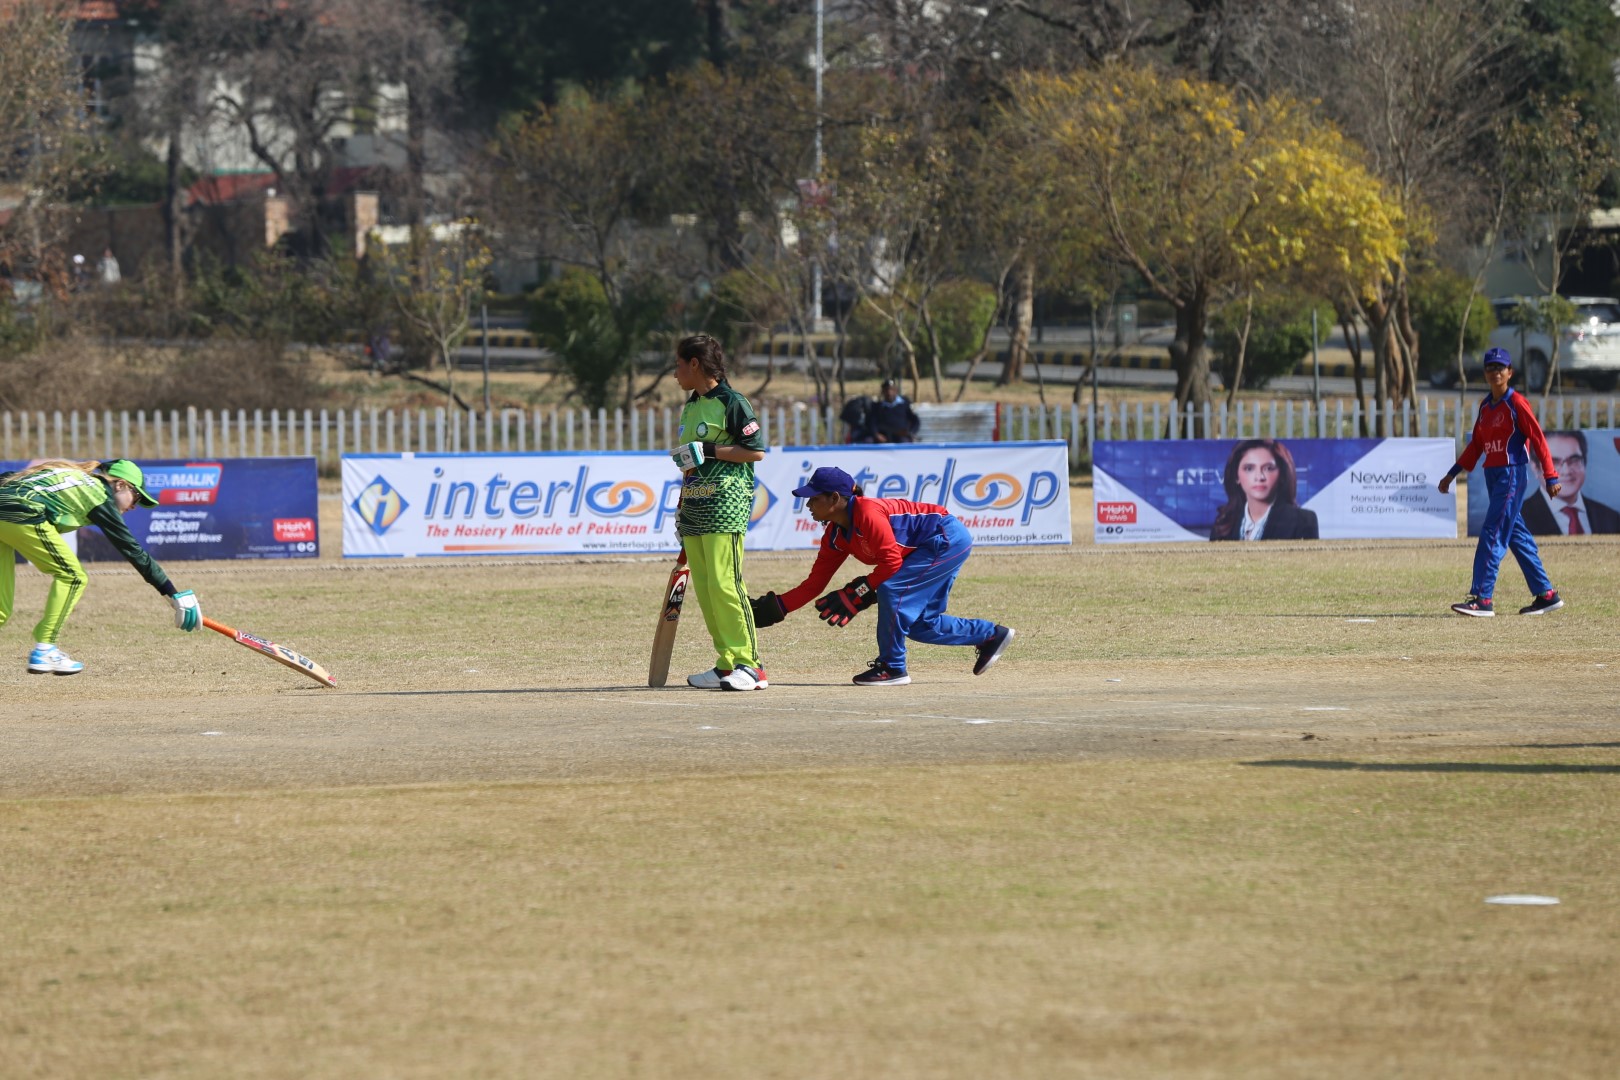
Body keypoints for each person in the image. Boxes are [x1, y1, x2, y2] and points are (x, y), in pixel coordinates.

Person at [748, 465, 1015, 686]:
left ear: (835, 498)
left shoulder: (867, 512)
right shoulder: (835, 536)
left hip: (945, 537)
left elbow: (891, 563)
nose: (808, 504)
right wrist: (776, 608)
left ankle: (893, 667)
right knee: (920, 625)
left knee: (892, 590)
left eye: (814, 497)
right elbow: (814, 584)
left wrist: (859, 592)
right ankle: (990, 635)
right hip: (932, 548)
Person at [0, 459, 201, 675]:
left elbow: (7, 479)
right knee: (73, 577)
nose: (134, 506)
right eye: (137, 496)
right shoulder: (99, 494)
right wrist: (172, 593)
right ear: (121, 485)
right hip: (21, 513)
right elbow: (132, 550)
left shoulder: (76, 478)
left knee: (2, 609)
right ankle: (45, 649)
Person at [668, 333, 769, 691]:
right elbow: (690, 461)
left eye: (679, 365)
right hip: (695, 505)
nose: (675, 373)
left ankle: (750, 666)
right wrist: (681, 508)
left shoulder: (732, 402)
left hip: (726, 505)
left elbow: (755, 451)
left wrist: (710, 449)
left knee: (727, 584)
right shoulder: (691, 405)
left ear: (695, 364)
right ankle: (727, 663)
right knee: (709, 589)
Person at [1437, 347, 1564, 616]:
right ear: (1485, 373)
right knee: (1516, 535)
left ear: (1510, 372)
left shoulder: (1516, 403)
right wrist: (1452, 473)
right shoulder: (1485, 406)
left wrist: (1550, 476)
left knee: (1492, 532)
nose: (1495, 372)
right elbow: (1477, 446)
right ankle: (1546, 594)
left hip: (1512, 475)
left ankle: (1483, 598)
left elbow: (1538, 439)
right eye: (1490, 367)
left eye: (1500, 367)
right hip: (1493, 475)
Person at [1208, 439, 1319, 541]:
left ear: (1282, 475)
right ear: (1237, 476)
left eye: (1268, 468)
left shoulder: (1303, 521)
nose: (1259, 477)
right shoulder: (1223, 523)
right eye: (1249, 468)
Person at [1519, 430, 1620, 535]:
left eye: (1574, 460)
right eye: (1553, 462)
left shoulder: (1611, 518)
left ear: (1584, 462)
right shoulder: (1518, 519)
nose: (1566, 471)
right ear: (1535, 467)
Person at [865, 378, 920, 443]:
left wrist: (911, 432)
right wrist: (876, 434)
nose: (889, 392)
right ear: (883, 391)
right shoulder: (877, 406)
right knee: (868, 441)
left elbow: (915, 420)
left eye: (892, 389)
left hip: (901, 435)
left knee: (904, 442)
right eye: (886, 390)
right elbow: (872, 422)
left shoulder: (905, 404)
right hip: (883, 436)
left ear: (896, 391)